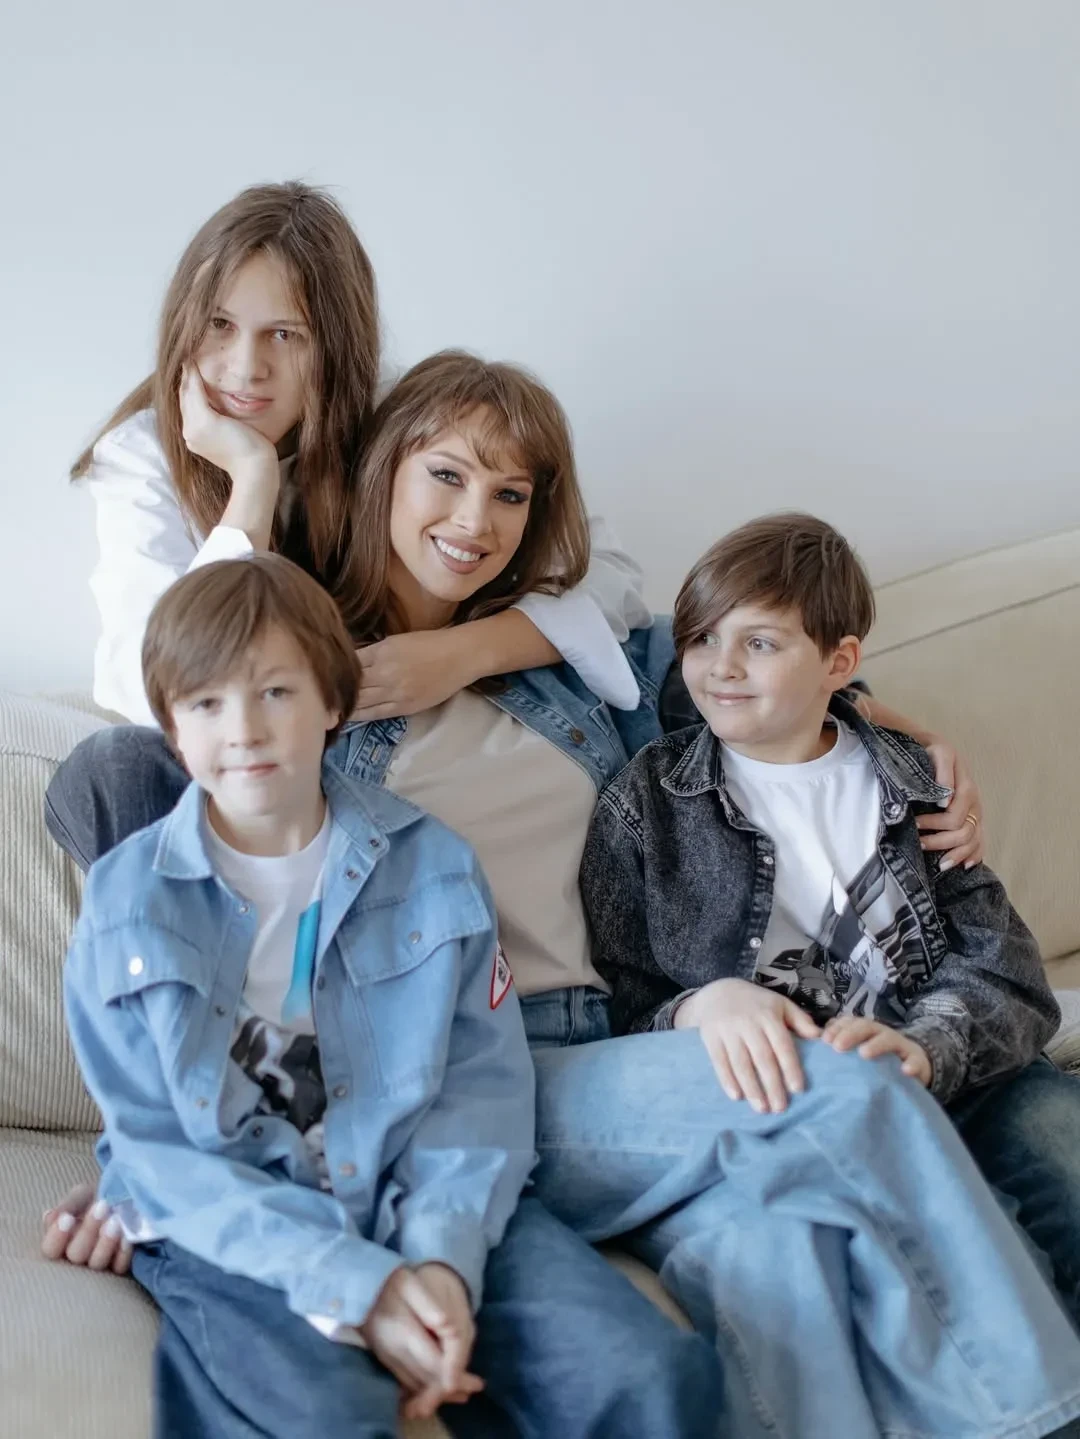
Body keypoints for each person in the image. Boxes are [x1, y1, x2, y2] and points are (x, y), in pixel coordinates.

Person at [48, 354, 1080, 1438]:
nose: (475, 520)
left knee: (774, 1240)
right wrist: (139, 1161)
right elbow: (135, 770)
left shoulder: (576, 669)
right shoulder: (306, 691)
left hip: (631, 1042)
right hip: (491, 1066)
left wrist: (903, 740)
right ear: (383, 472)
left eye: (509, 494)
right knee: (837, 1090)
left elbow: (759, 671)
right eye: (446, 476)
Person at [63, 552, 720, 1439]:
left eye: (276, 692)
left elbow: (480, 1088)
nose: (244, 730)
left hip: (413, 1181)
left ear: (332, 704)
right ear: (173, 729)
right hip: (244, 1210)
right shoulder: (126, 901)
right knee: (328, 1415)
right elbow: (160, 1151)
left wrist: (441, 1261)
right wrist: (362, 1289)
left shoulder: (431, 861)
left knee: (645, 1375)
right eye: (207, 703)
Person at [580, 511, 1080, 1333]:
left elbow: (1009, 972)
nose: (721, 667)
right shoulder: (647, 805)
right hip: (821, 1101)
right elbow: (625, 1002)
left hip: (962, 1065)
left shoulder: (911, 783)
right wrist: (699, 1007)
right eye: (702, 639)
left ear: (839, 664)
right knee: (994, 1257)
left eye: (761, 643)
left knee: (1064, 1150)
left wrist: (928, 1046)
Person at [70, 178, 650, 735]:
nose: (246, 368)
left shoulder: (393, 411)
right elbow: (159, 691)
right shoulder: (141, 456)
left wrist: (459, 654)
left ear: (337, 345)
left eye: (285, 335)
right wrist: (252, 478)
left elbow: (609, 576)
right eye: (219, 324)